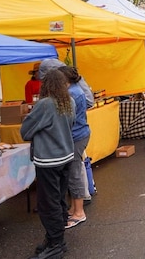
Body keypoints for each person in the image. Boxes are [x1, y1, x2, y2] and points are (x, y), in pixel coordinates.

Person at [20, 69, 75, 259]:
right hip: (66, 157)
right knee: (59, 200)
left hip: (49, 161)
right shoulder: (69, 102)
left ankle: (55, 244)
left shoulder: (44, 105)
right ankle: (56, 240)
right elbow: (71, 125)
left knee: (47, 204)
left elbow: (25, 132)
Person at [56, 66, 90, 230]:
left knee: (74, 174)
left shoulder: (72, 94)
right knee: (73, 172)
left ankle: (79, 212)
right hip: (80, 134)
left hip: (75, 136)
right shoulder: (76, 89)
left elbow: (67, 119)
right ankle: (74, 208)